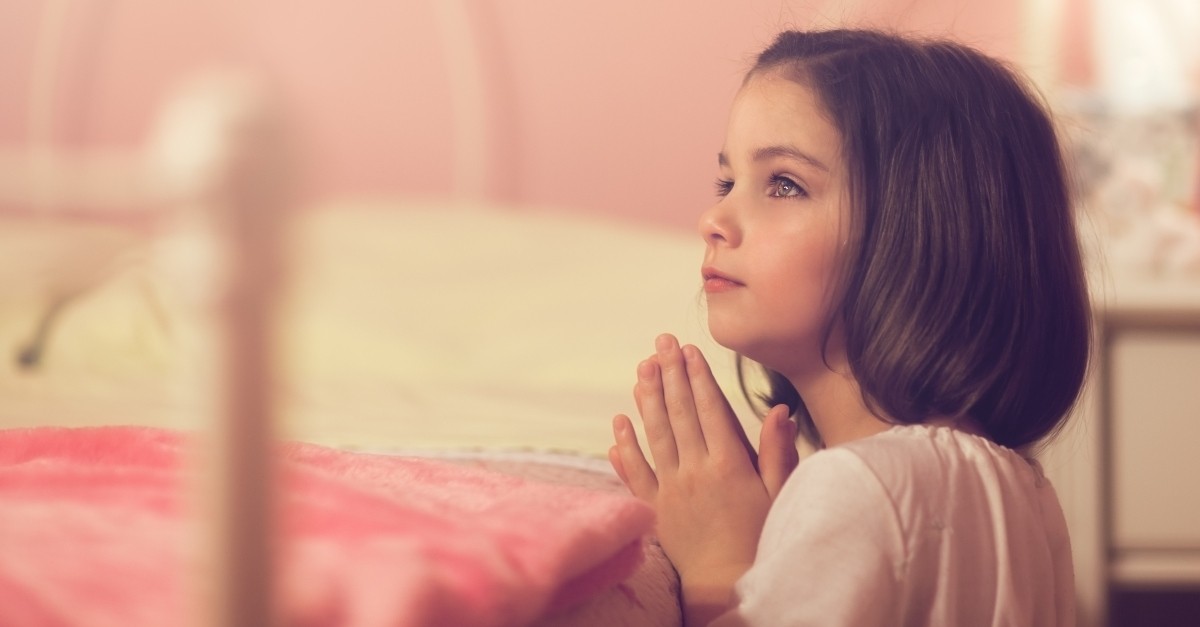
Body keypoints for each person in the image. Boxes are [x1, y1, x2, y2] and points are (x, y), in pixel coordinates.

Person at [608, 29, 1091, 626]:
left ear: (919, 234)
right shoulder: (1027, 494)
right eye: (727, 182)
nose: (713, 218)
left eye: (784, 184)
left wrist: (718, 568)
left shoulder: (854, 489)